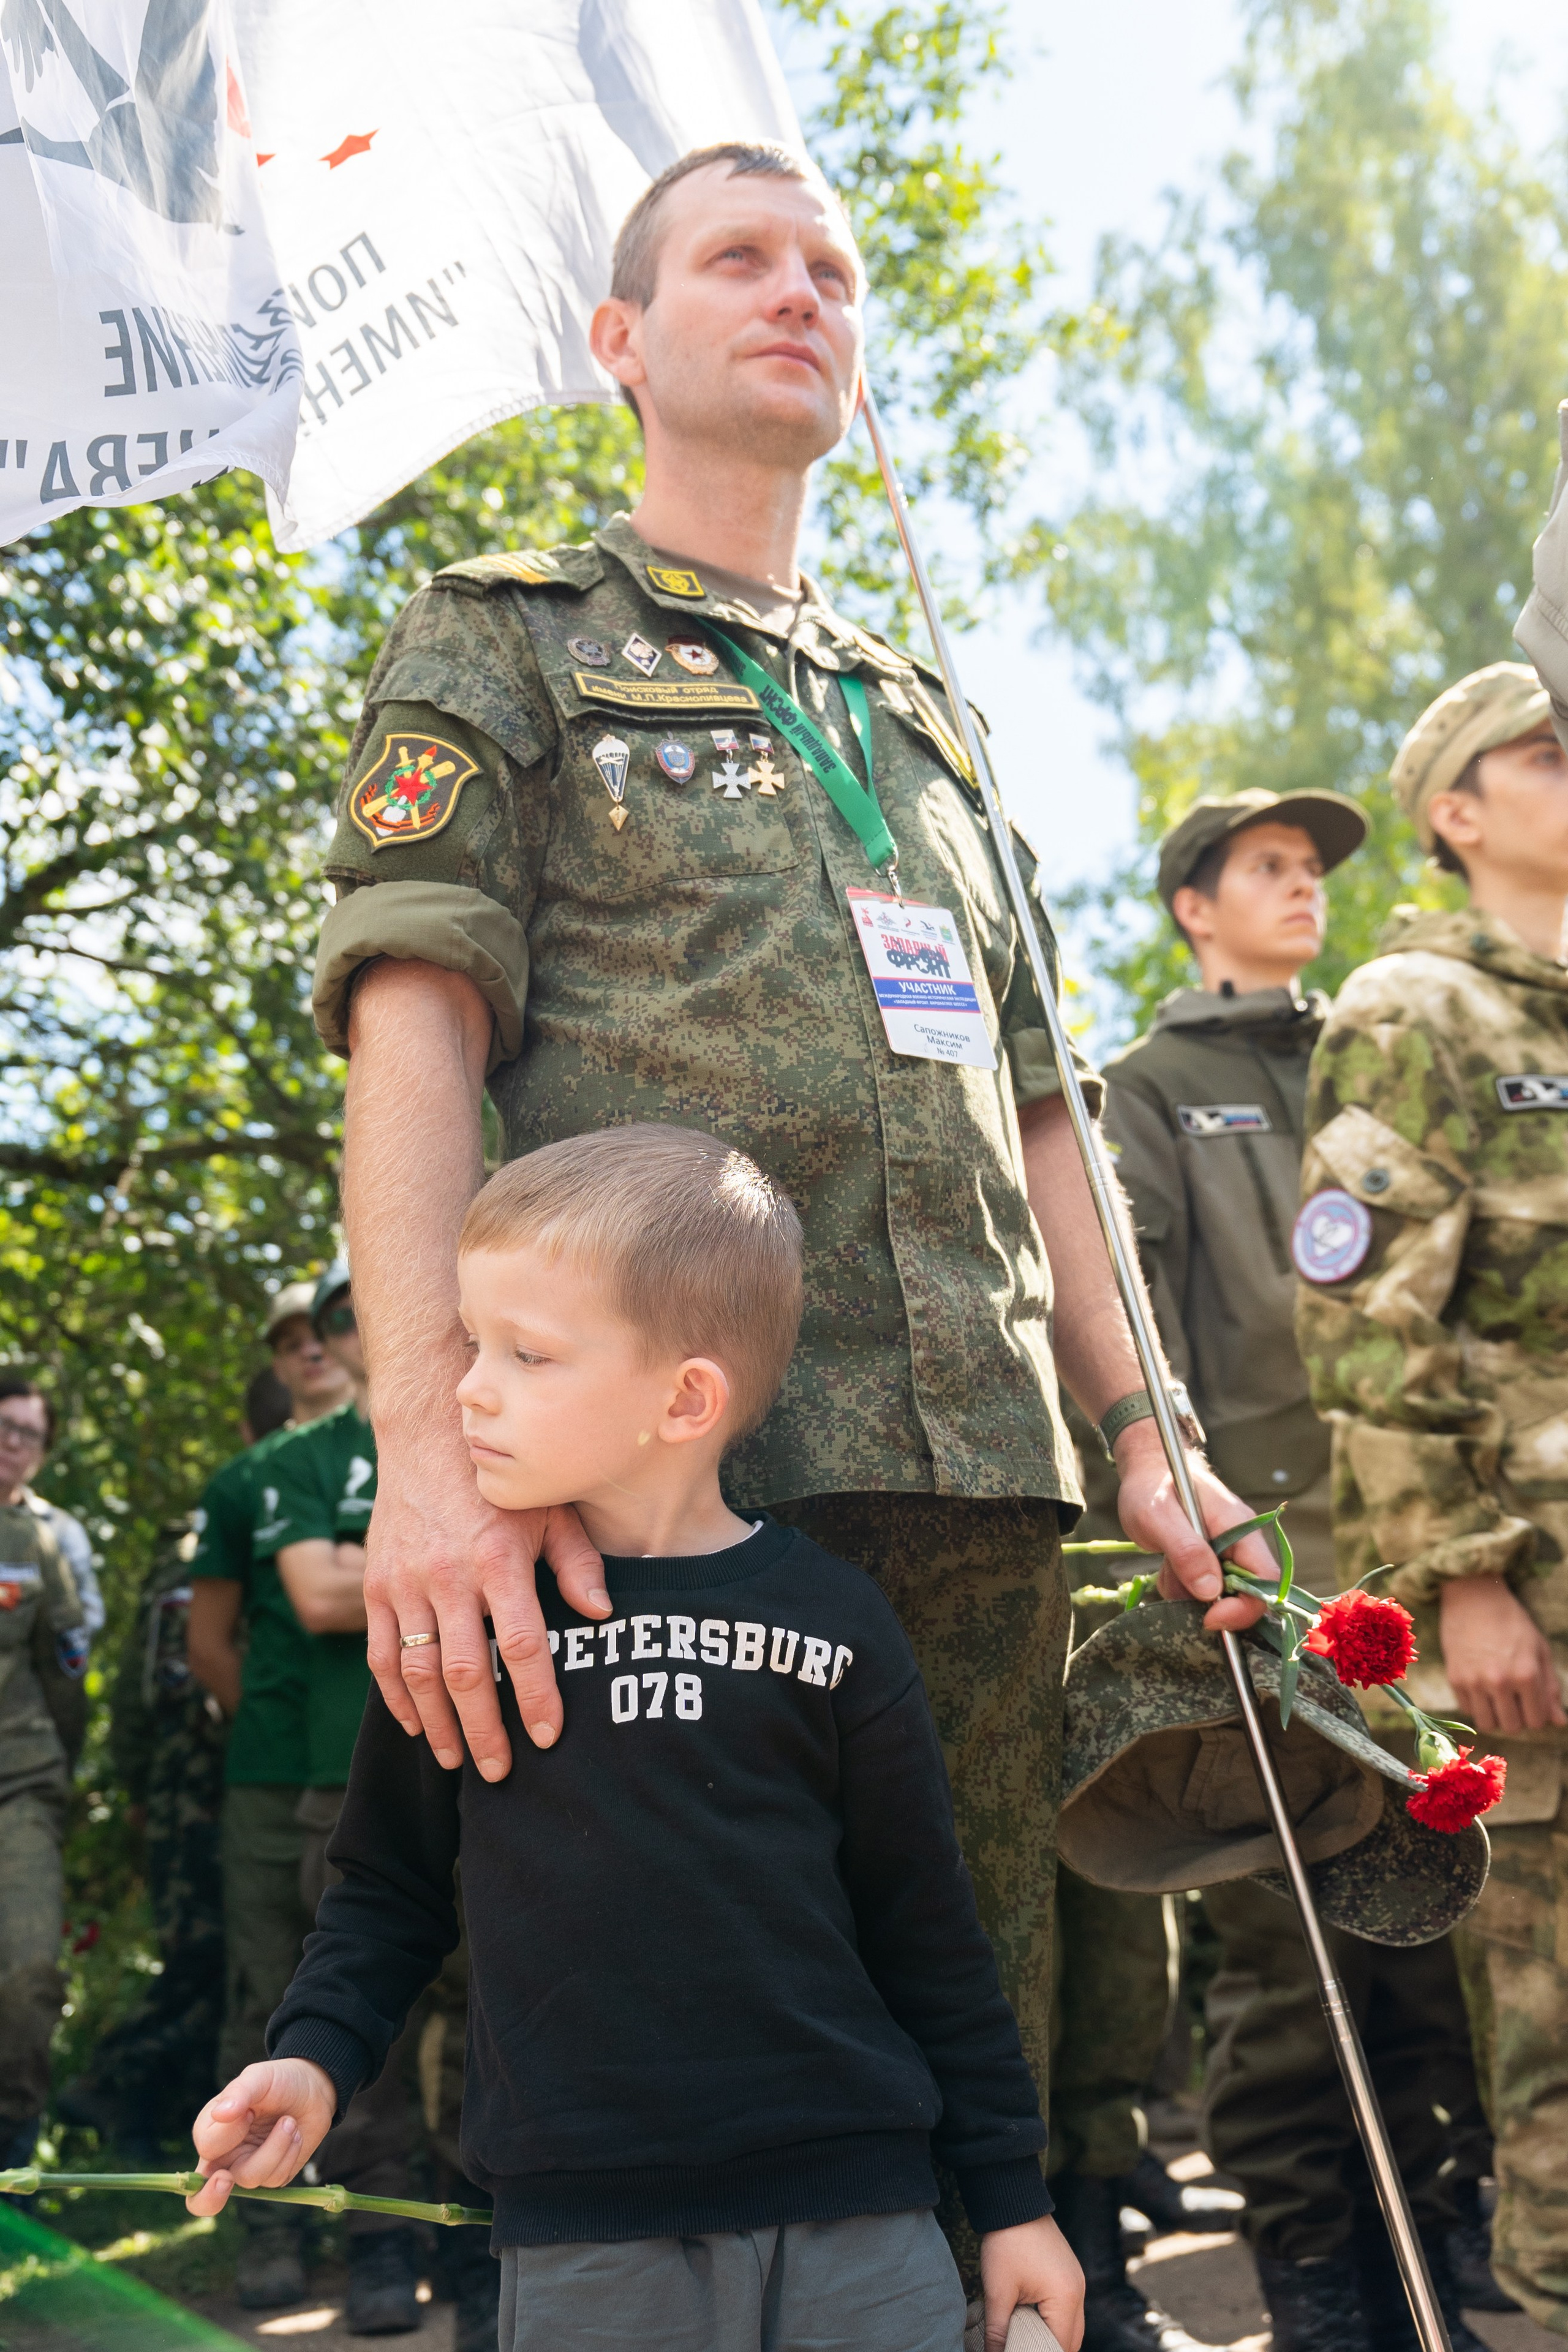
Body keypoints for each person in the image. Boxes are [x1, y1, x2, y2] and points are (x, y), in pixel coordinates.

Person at [308, 143, 1272, 2291]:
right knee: (665, 2141)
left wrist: (1150, 1430)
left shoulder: (927, 718)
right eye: (740, 259)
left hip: (980, 1494)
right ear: (621, 340)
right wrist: (429, 1450)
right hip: (670, 1493)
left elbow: (1046, 1110)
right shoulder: (508, 639)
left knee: (965, 2112)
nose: (802, 294)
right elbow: (413, 1031)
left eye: (832, 268)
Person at [185, 1125, 1086, 2352]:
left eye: (526, 1354)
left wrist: (1012, 2201)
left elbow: (927, 1927)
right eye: (470, 1342)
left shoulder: (836, 1619)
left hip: (861, 2220)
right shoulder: (466, 1626)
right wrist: (314, 2061)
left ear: (684, 1399)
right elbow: (385, 1892)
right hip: (587, 2240)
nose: (467, 1389)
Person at [1091, 791, 1497, 2351]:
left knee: (1440, 1924)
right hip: (1274, 1581)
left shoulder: (1380, 1054)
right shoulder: (1149, 1087)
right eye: (1264, 867)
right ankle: (1314, 2271)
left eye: (1313, 868)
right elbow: (1137, 1327)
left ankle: (1442, 2234)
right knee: (1284, 1944)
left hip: (1424, 1557)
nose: (1301, 887)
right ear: (1191, 907)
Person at [1297, 660, 1568, 2339]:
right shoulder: (1413, 1012)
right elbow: (1364, 1326)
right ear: (1455, 813)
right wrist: (1463, 1582)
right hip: (1528, 1617)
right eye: (1545, 753)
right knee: (1556, 2064)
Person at [186, 1281, 350, 2311]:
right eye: (288, 1341)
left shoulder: (403, 1453)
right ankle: (268, 2231)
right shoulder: (245, 1481)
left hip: (371, 1763)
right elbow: (208, 1642)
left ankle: (380, 2224)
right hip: (269, 1774)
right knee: (266, 1993)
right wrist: (274, 1725)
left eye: (321, 1331)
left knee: (383, 1993)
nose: (309, 1351)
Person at [0, 1379, 91, 2170]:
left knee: (30, 1974)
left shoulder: (39, 1544)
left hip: (20, 1780)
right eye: (5, 1426)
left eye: (30, 1434)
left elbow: (65, 1674)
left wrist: (58, 1771)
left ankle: (13, 2151)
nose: (14, 1444)